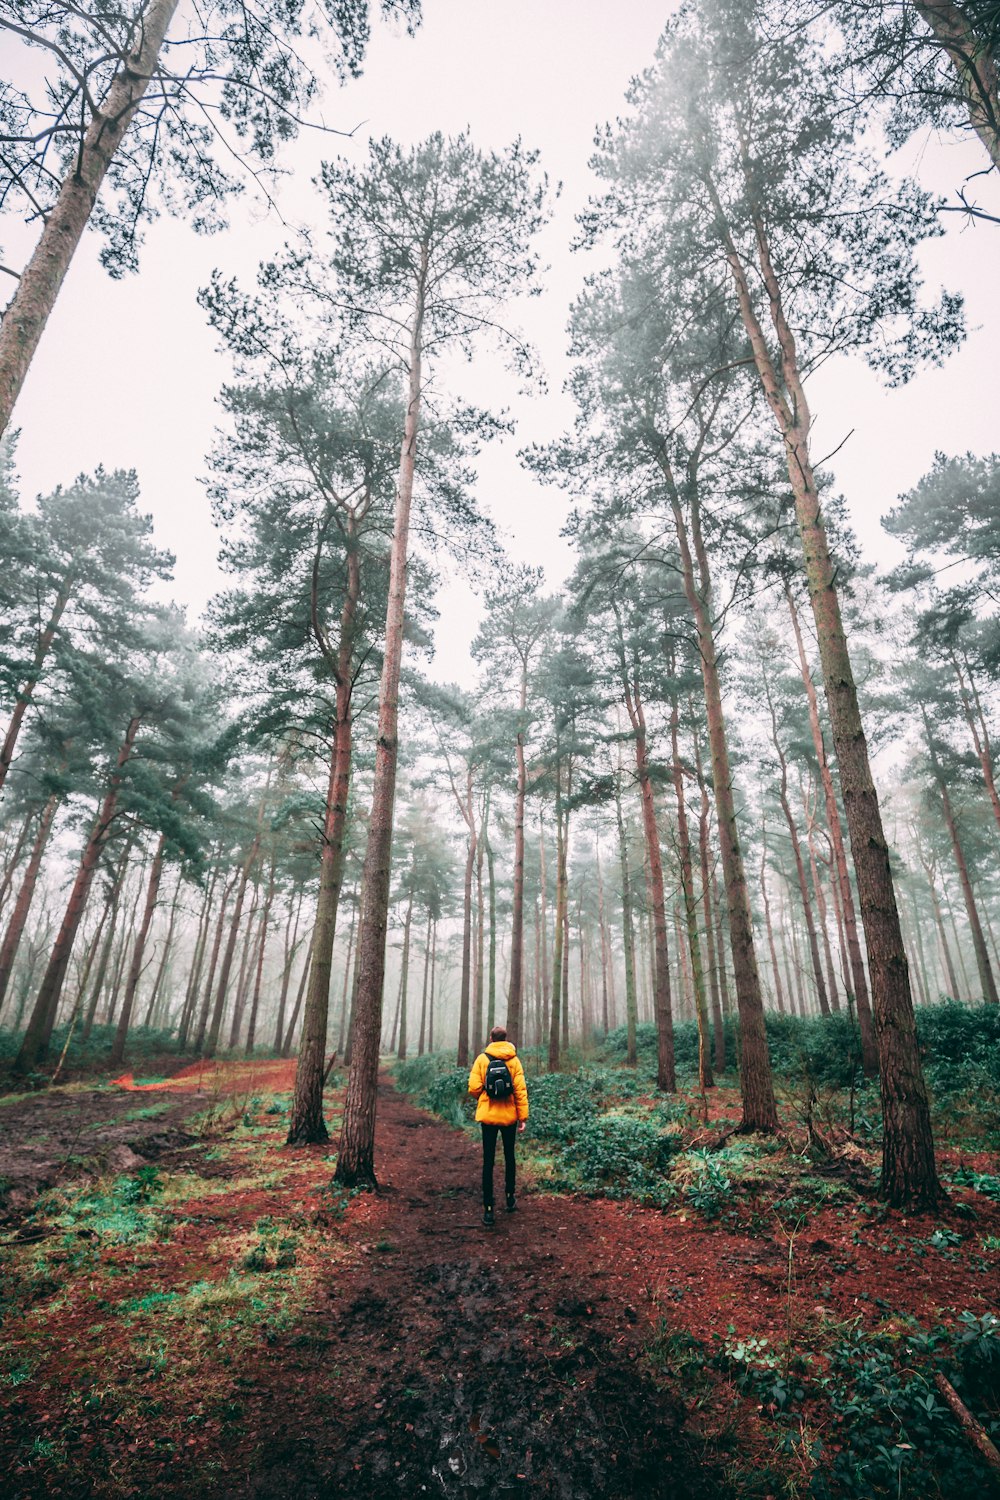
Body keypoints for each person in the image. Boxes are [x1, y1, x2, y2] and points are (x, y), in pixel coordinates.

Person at [467, 1025, 529, 1228]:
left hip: (488, 1118)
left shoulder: (482, 1059)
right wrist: (523, 1117)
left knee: (488, 1161)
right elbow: (520, 1090)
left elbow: (473, 1088)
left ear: (491, 1038)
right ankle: (510, 1198)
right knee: (510, 1157)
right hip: (510, 1117)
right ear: (506, 1038)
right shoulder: (514, 1060)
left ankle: (488, 1210)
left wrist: (485, 1094)